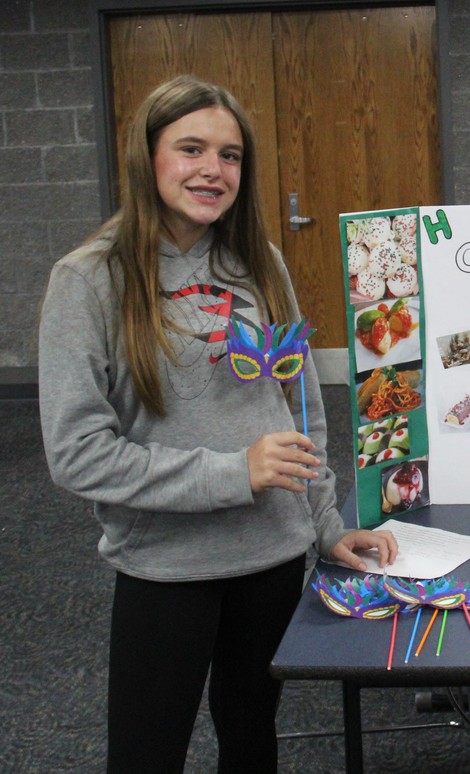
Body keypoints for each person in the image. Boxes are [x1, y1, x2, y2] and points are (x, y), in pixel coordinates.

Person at [38, 75, 398, 773]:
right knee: (146, 754)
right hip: (168, 567)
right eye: (192, 148)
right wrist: (236, 472)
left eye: (230, 156)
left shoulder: (256, 263)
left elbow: (299, 413)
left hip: (270, 556)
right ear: (148, 157)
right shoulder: (88, 280)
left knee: (252, 745)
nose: (213, 170)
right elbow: (77, 455)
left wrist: (326, 527)